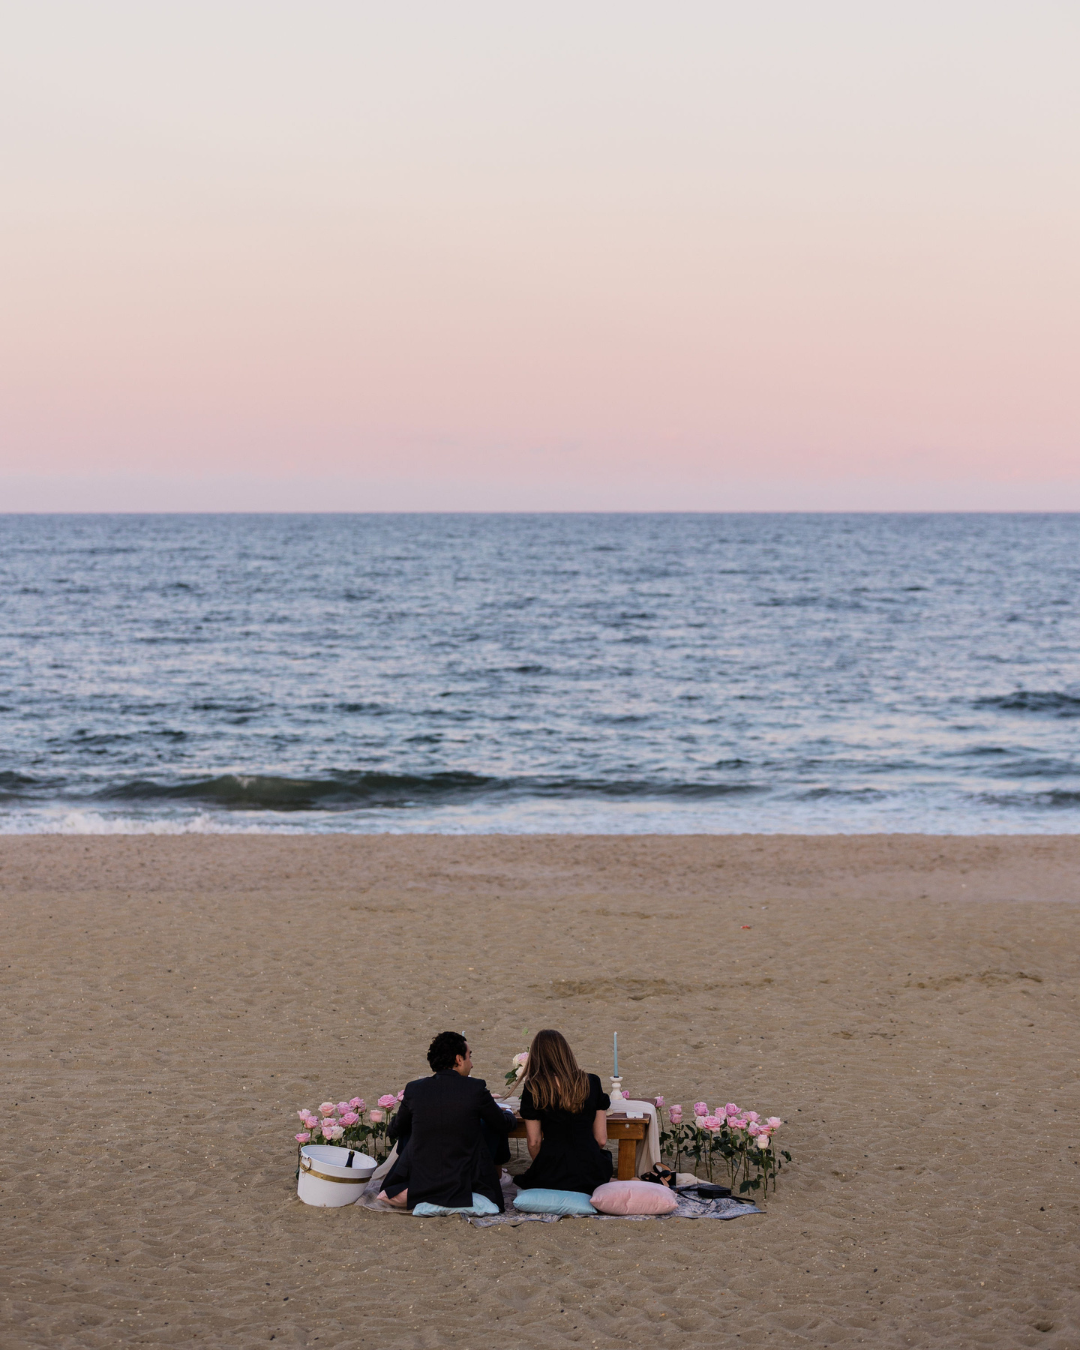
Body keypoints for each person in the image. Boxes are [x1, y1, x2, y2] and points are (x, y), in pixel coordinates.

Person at [379, 1031, 514, 1211]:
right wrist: (508, 1113)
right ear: (459, 1059)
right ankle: (498, 1175)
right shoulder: (475, 1088)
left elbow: (395, 1129)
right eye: (469, 1057)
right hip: (467, 1178)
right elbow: (502, 1125)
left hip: (423, 1175)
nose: (471, 1064)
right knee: (487, 1126)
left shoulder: (415, 1089)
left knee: (410, 1126)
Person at [514, 1028, 614, 1196]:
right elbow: (601, 1140)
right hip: (590, 1169)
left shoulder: (534, 1087)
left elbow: (534, 1141)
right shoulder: (592, 1082)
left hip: (552, 1170)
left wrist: (541, 1166)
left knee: (522, 1180)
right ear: (566, 1052)